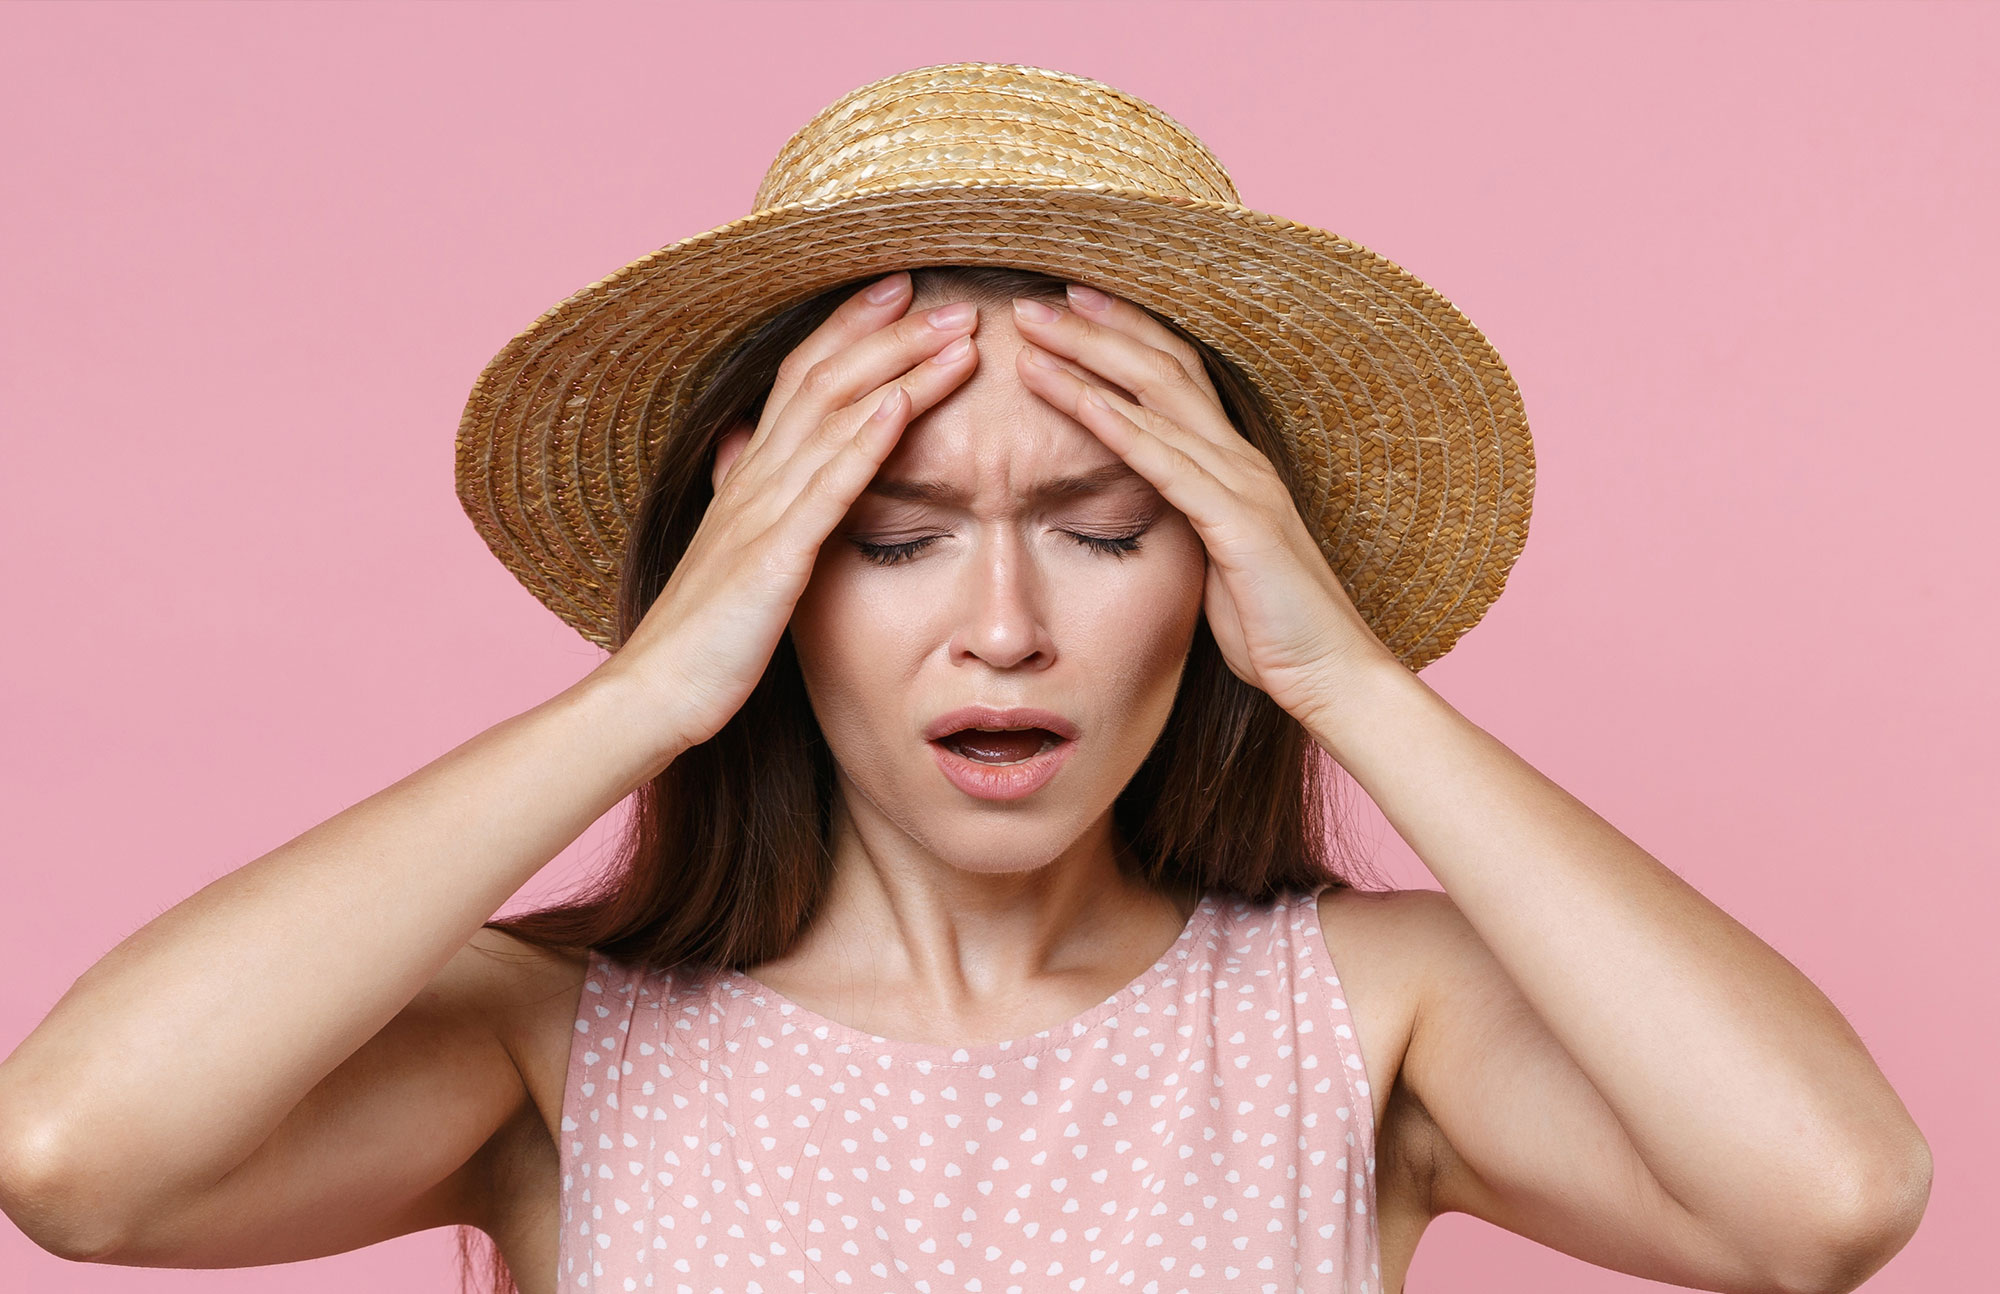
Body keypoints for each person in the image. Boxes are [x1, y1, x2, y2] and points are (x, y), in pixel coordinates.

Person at [0, 63, 1929, 1294]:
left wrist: (1353, 672)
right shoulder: (548, 1046)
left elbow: (1830, 1196)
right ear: (762, 587)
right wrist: (643, 691)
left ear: (1218, 574)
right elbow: (78, 1160)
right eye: (890, 538)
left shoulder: (1360, 1021)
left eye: (1103, 533)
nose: (1000, 626)